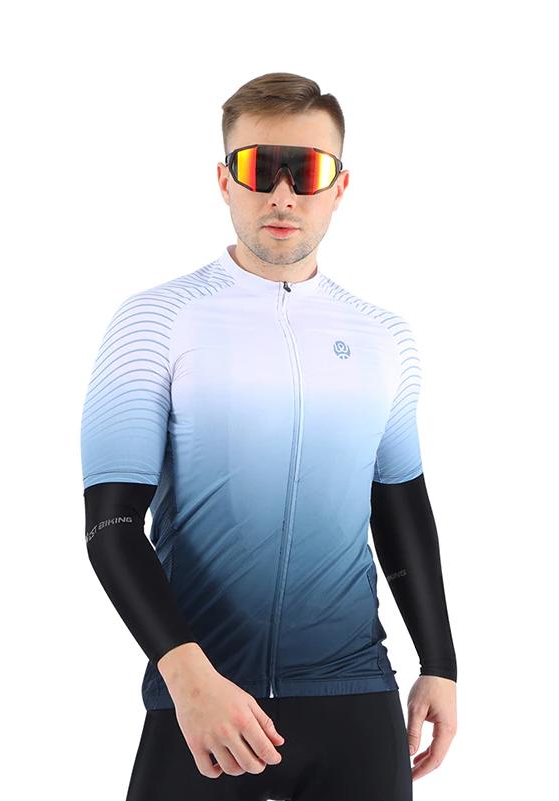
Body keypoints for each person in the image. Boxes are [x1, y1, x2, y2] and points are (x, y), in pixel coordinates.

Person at [80, 72, 457, 801]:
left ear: (338, 187)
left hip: (354, 696)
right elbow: (111, 525)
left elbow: (400, 508)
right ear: (225, 180)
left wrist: (439, 663)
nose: (282, 194)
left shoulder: (383, 338)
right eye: (260, 168)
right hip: (204, 701)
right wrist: (187, 677)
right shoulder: (156, 320)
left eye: (306, 171)